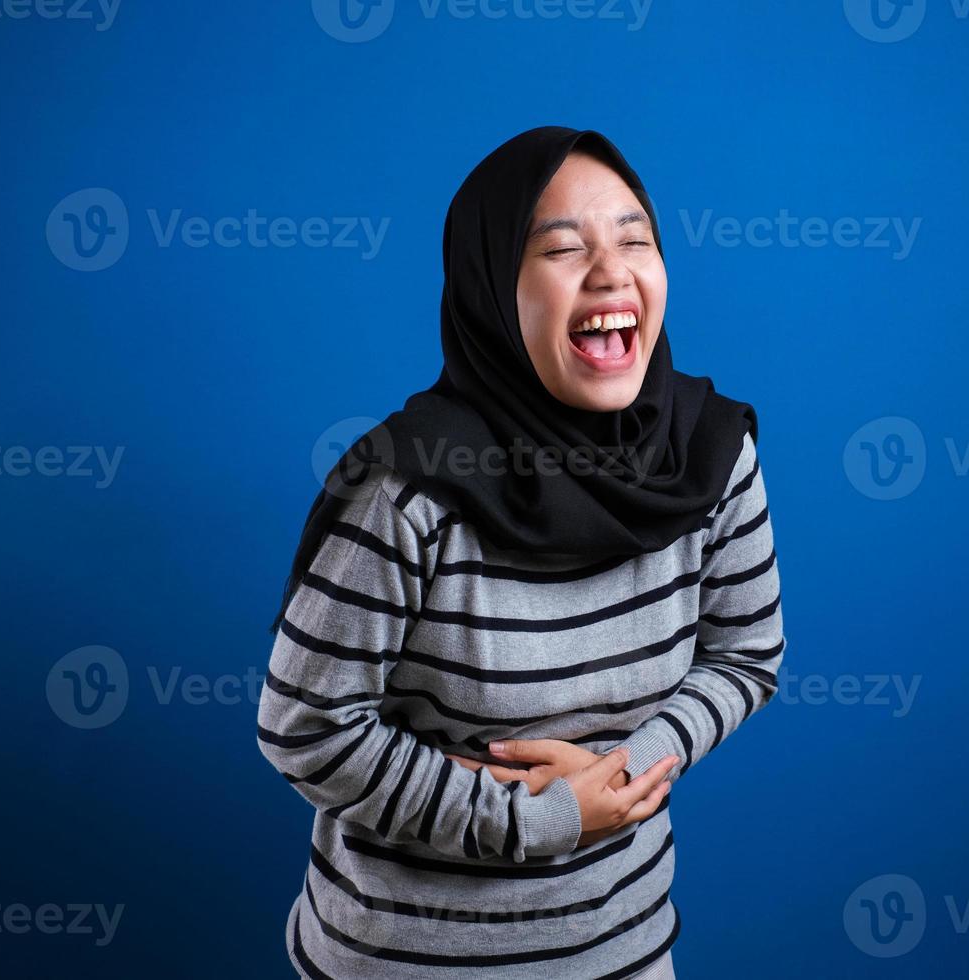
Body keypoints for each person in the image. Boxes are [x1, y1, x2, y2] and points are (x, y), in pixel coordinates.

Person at [256, 126, 787, 979]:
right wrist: (540, 817)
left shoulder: (712, 455)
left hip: (624, 953)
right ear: (493, 290)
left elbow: (746, 654)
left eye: (635, 239)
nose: (611, 272)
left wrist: (634, 765)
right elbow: (307, 728)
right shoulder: (406, 490)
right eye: (563, 249)